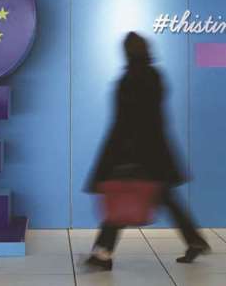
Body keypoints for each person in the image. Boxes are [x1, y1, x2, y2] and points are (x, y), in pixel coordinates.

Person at [85, 32, 210, 270]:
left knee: (119, 200)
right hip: (157, 153)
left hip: (132, 155)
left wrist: (108, 161)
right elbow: (154, 118)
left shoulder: (127, 81)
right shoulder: (156, 76)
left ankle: (102, 254)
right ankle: (195, 241)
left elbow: (122, 124)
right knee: (167, 200)